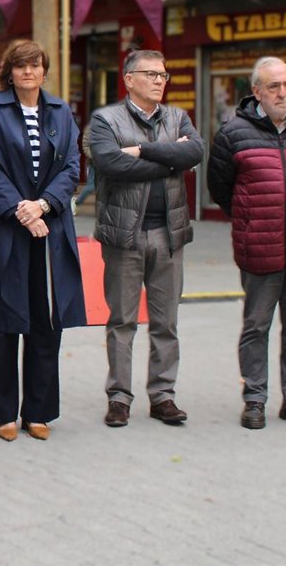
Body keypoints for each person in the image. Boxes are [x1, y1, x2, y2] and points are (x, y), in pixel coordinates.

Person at [206, 56, 286, 430]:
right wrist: (251, 219)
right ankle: (255, 400)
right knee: (256, 326)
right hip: (258, 247)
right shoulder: (232, 134)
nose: (283, 93)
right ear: (257, 92)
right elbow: (221, 190)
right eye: (274, 86)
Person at [0, 40, 86, 442]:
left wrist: (45, 206)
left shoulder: (60, 111)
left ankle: (38, 411)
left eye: (35, 65)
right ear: (10, 72)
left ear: (44, 71)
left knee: (45, 319)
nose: (28, 72)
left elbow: (72, 165)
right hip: (4, 228)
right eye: (20, 66)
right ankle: (2, 412)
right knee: (2, 321)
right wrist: (21, 209)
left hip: (48, 230)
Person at [87, 49, 203, 428]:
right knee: (121, 321)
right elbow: (110, 163)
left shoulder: (178, 117)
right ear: (129, 79)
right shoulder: (106, 120)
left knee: (165, 322)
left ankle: (163, 396)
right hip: (125, 237)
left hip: (170, 235)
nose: (159, 81)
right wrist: (171, 159)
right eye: (151, 74)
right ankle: (119, 397)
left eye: (163, 75)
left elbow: (197, 151)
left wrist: (145, 150)